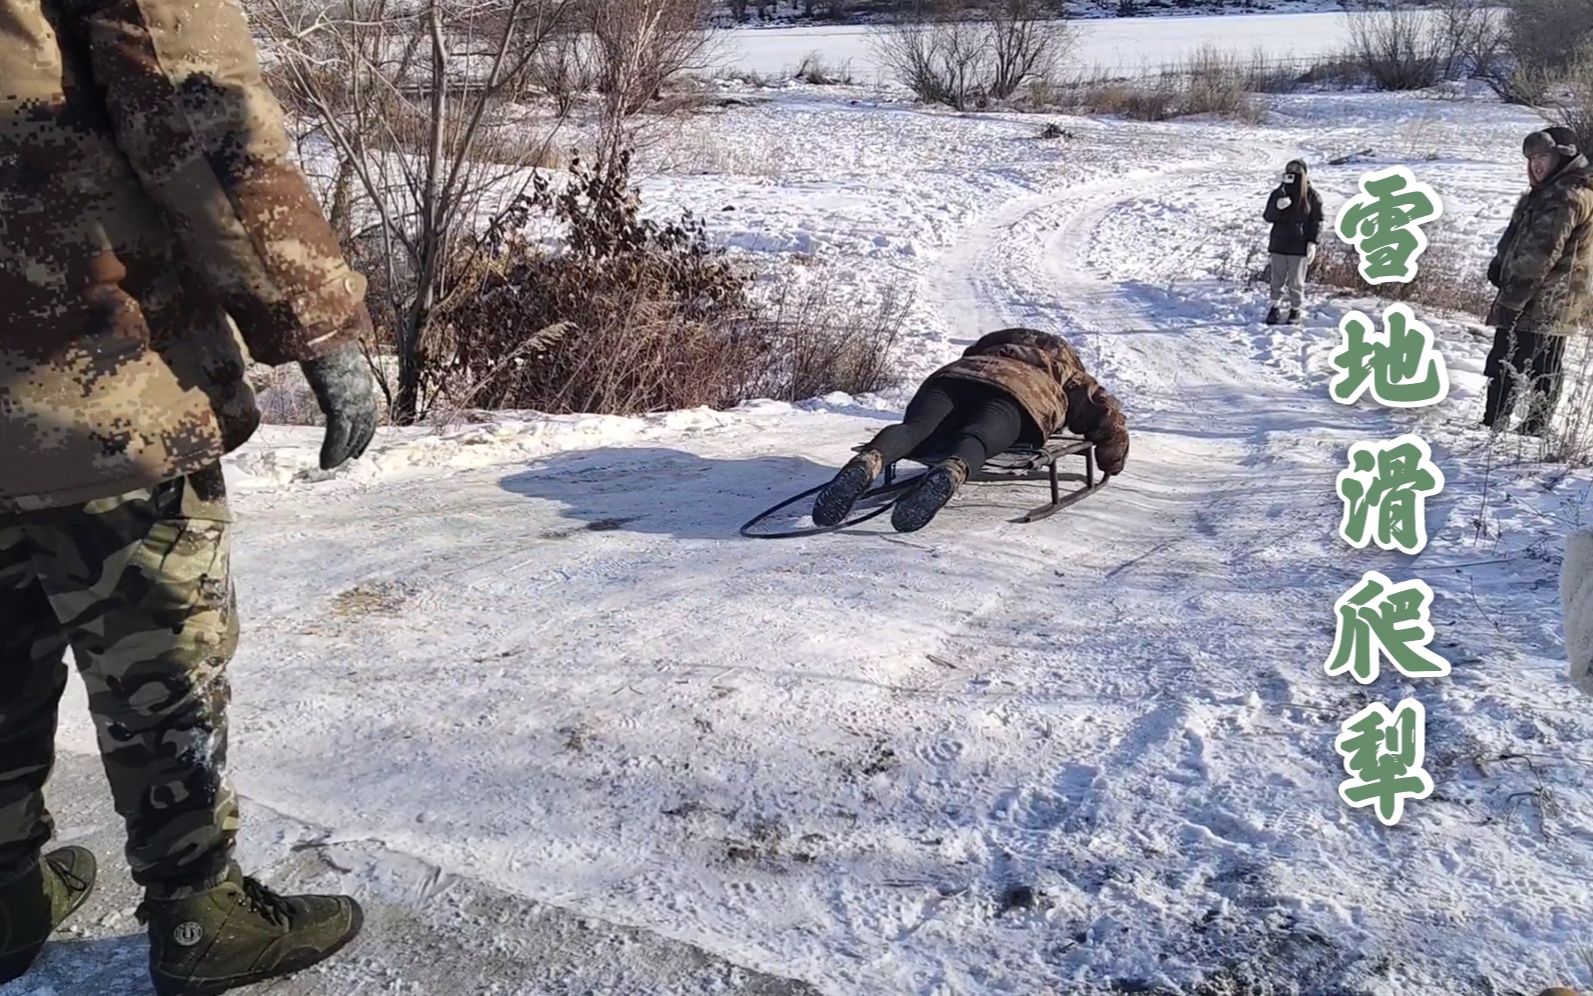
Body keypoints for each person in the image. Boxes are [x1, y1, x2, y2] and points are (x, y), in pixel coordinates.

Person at [0, 0, 381, 990]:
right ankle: (198, 912)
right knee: (157, 654)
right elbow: (181, 90)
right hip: (80, 366)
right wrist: (314, 322)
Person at [813, 328, 1129, 533]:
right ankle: (951, 470)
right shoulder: (1064, 370)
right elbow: (1105, 413)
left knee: (915, 429)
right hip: (1019, 395)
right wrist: (1111, 460)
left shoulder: (982, 353)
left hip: (953, 379)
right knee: (979, 435)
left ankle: (870, 460)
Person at [1483, 126, 1593, 436]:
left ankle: (1527, 431)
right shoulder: (1549, 193)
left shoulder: (1565, 196)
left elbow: (1541, 253)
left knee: (1527, 365)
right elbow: (1521, 240)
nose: (1536, 165)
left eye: (1543, 156)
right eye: (1532, 158)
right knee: (1523, 362)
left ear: (1563, 158)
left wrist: (1511, 298)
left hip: (1545, 300)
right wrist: (1501, 264)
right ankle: (1508, 426)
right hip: (1544, 298)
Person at [1261, 158, 1325, 326]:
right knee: (1277, 278)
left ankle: (1295, 309)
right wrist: (1277, 207)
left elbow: (1317, 220)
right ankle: (1274, 307)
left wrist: (1312, 242)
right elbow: (1268, 216)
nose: (1293, 173)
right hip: (1279, 242)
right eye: (1290, 170)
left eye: (1298, 170)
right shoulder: (1279, 192)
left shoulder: (1312, 195)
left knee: (1296, 281)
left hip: (1299, 244)